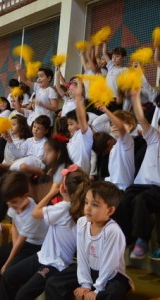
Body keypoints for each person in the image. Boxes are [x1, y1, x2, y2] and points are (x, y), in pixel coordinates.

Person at [0, 165, 90, 300]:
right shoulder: (74, 207)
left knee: (22, 295)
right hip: (42, 255)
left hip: (54, 263)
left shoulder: (64, 207)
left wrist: (51, 192)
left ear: (63, 188)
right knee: (8, 276)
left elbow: (35, 213)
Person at [0, 171, 48, 300]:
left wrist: (7, 262)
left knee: (8, 273)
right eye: (8, 203)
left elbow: (20, 243)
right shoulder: (14, 203)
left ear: (25, 196)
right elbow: (14, 226)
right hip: (19, 242)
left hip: (35, 248)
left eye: (13, 202)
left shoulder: (33, 214)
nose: (11, 206)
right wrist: (13, 244)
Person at [118, 90, 160, 260]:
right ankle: (126, 239)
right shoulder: (155, 138)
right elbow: (142, 119)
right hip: (139, 184)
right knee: (126, 198)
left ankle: (142, 240)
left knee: (141, 200)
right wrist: (135, 98)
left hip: (157, 188)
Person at [74, 181, 133, 300]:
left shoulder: (112, 231)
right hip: (91, 272)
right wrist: (85, 284)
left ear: (110, 210)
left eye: (95, 205)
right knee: (56, 282)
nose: (88, 208)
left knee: (111, 293)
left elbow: (110, 265)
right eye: (86, 202)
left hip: (112, 275)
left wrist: (98, 290)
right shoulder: (82, 223)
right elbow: (82, 256)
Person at [95, 106, 135, 190]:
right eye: (112, 124)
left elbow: (121, 128)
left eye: (117, 123)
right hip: (113, 185)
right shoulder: (115, 147)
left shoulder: (128, 141)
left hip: (123, 189)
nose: (113, 126)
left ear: (130, 126)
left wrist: (106, 110)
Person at [66, 78, 93, 174]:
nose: (69, 128)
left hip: (80, 175)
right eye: (68, 125)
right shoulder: (71, 139)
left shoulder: (84, 135)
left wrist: (78, 96)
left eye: (71, 124)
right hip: (69, 173)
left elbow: (81, 116)